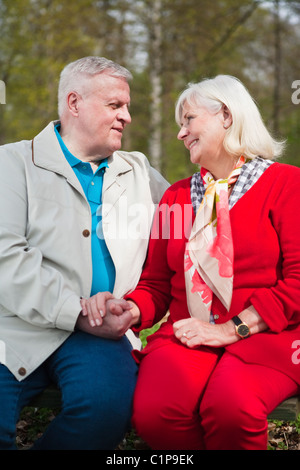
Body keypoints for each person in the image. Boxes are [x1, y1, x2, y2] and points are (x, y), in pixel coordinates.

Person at [84, 74, 300, 450]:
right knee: (155, 412)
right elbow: (156, 282)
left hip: (270, 335)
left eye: (189, 120)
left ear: (227, 117)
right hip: (188, 334)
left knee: (232, 408)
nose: (181, 134)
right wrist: (131, 310)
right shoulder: (178, 195)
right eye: (180, 124)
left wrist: (232, 330)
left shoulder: (287, 185)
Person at [0, 56, 169, 450]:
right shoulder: (11, 164)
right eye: (115, 105)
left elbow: (192, 215)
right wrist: (76, 311)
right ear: (74, 103)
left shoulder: (139, 171)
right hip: (13, 326)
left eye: (127, 106)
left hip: (101, 334)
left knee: (104, 409)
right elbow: (6, 258)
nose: (126, 117)